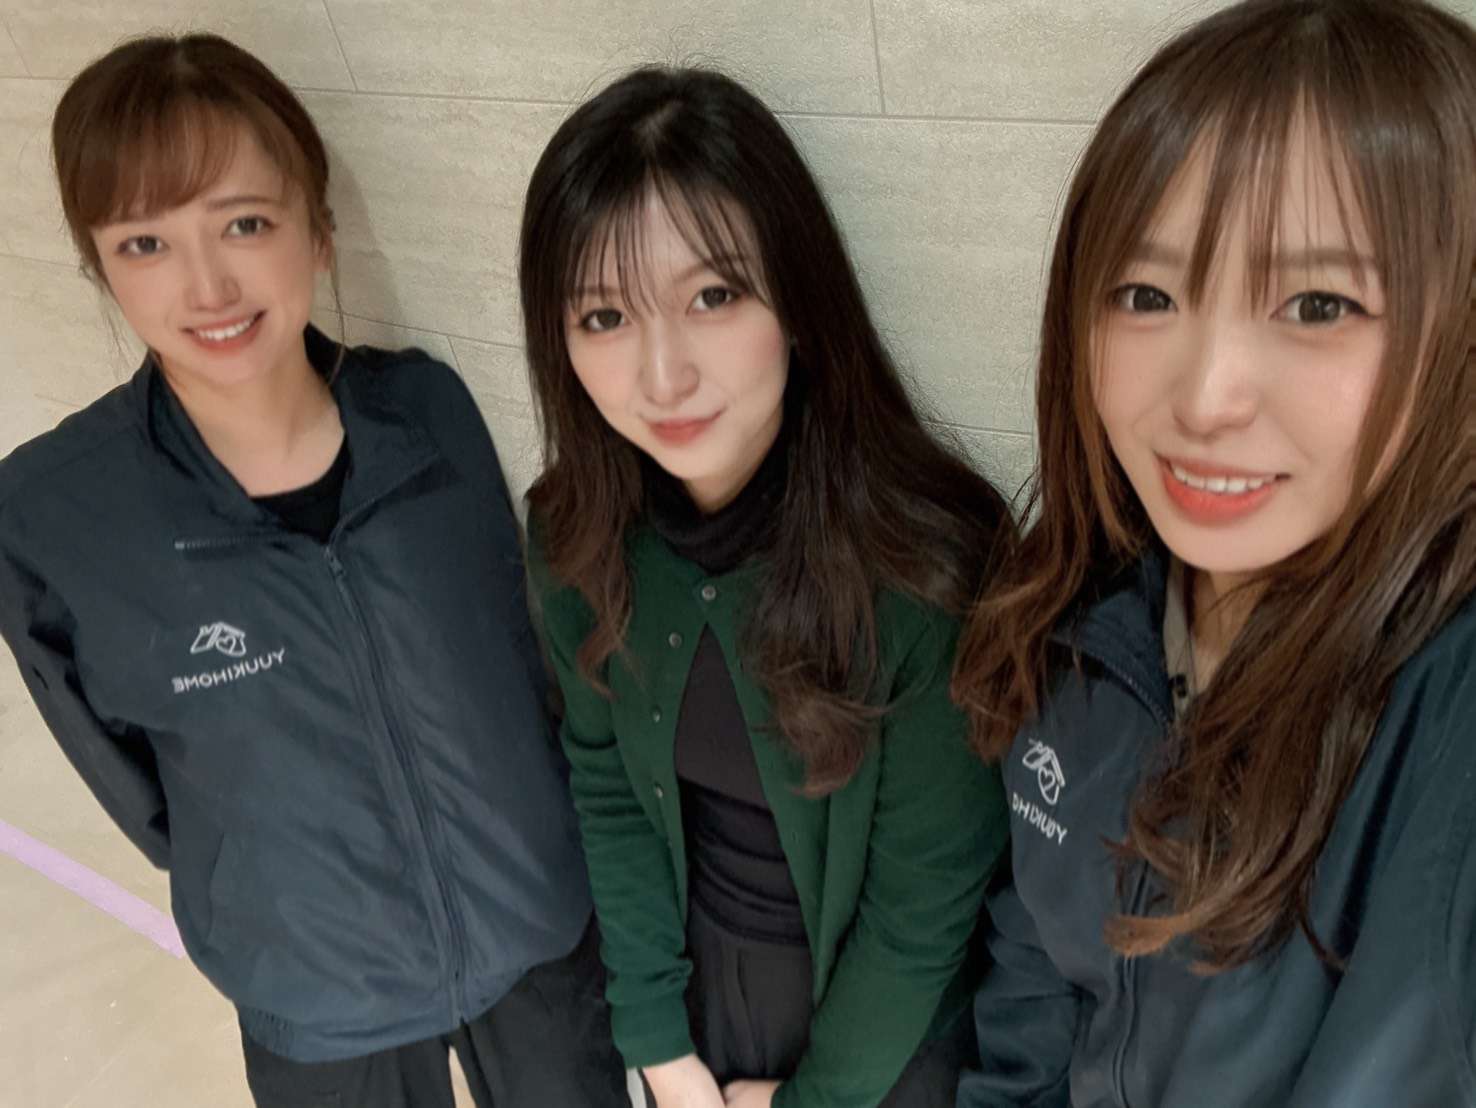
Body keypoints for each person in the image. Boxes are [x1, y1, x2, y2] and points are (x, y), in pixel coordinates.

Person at [0, 33, 627, 1108]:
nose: (207, 285)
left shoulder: (428, 413)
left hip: (536, 938)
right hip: (315, 989)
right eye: (145, 243)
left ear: (319, 233)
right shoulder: (51, 515)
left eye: (246, 223)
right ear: (100, 265)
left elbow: (517, 672)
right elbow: (142, 794)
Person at [950, 1, 1476, 1104]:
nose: (1202, 398)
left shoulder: (1446, 713)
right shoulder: (1086, 607)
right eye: (1146, 294)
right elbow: (1036, 978)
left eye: (1318, 304)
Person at [519, 66, 1015, 1108]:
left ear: (798, 303)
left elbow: (922, 911)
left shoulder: (925, 566)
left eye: (713, 296)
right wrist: (661, 1049)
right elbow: (607, 794)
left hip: (884, 1031)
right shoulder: (574, 532)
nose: (662, 376)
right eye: (604, 315)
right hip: (695, 1003)